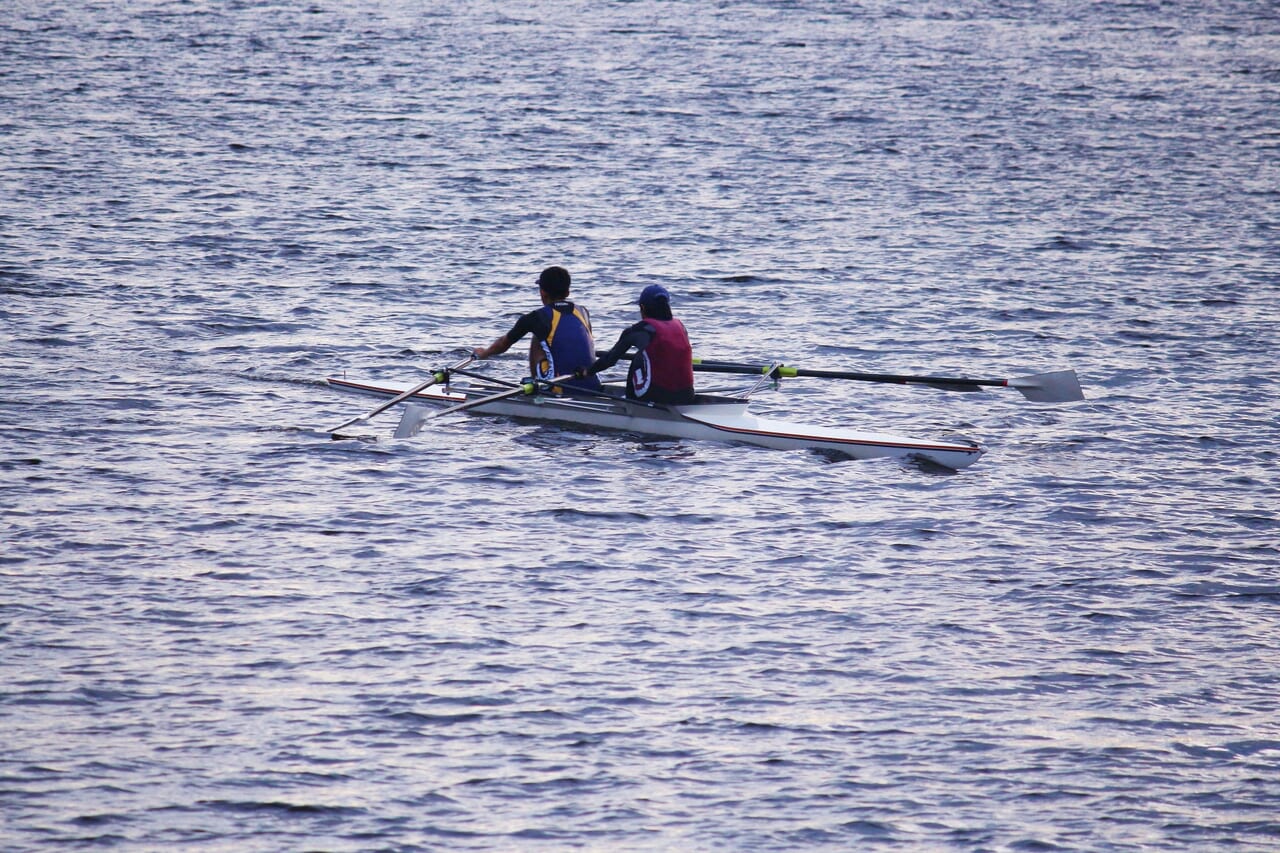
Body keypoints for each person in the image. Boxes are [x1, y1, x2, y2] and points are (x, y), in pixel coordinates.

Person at [473, 266, 602, 391]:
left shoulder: (536, 317)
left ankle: (537, 385)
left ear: (542, 293)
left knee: (538, 337)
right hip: (592, 382)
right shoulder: (583, 312)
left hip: (559, 385)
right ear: (568, 292)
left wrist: (484, 353)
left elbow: (503, 344)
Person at [577, 284, 695, 404]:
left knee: (638, 358)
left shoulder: (640, 329)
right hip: (687, 395)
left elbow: (610, 360)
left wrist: (587, 372)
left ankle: (630, 403)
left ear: (642, 308)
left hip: (658, 396)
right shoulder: (681, 326)